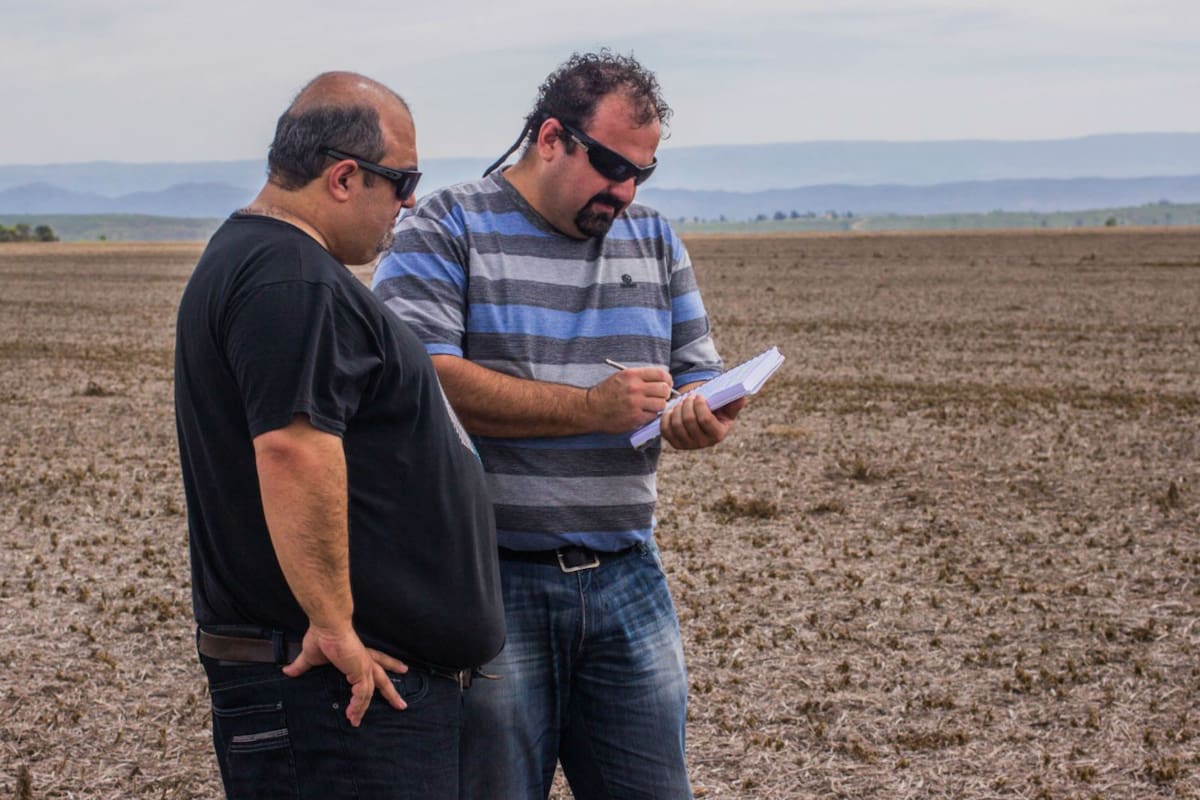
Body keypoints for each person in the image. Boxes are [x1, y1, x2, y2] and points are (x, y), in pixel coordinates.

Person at [373, 52, 744, 799]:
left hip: (630, 577)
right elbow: (424, 385)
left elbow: (696, 367)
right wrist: (588, 409)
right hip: (489, 584)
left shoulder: (654, 239)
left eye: (643, 171)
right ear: (550, 139)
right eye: (610, 164)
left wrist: (703, 409)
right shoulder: (447, 227)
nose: (625, 189)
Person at [174, 71, 504, 800]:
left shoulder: (267, 264)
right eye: (404, 180)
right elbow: (293, 449)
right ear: (346, 177)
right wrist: (334, 627)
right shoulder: (292, 280)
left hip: (344, 697)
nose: (412, 200)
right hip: (339, 701)